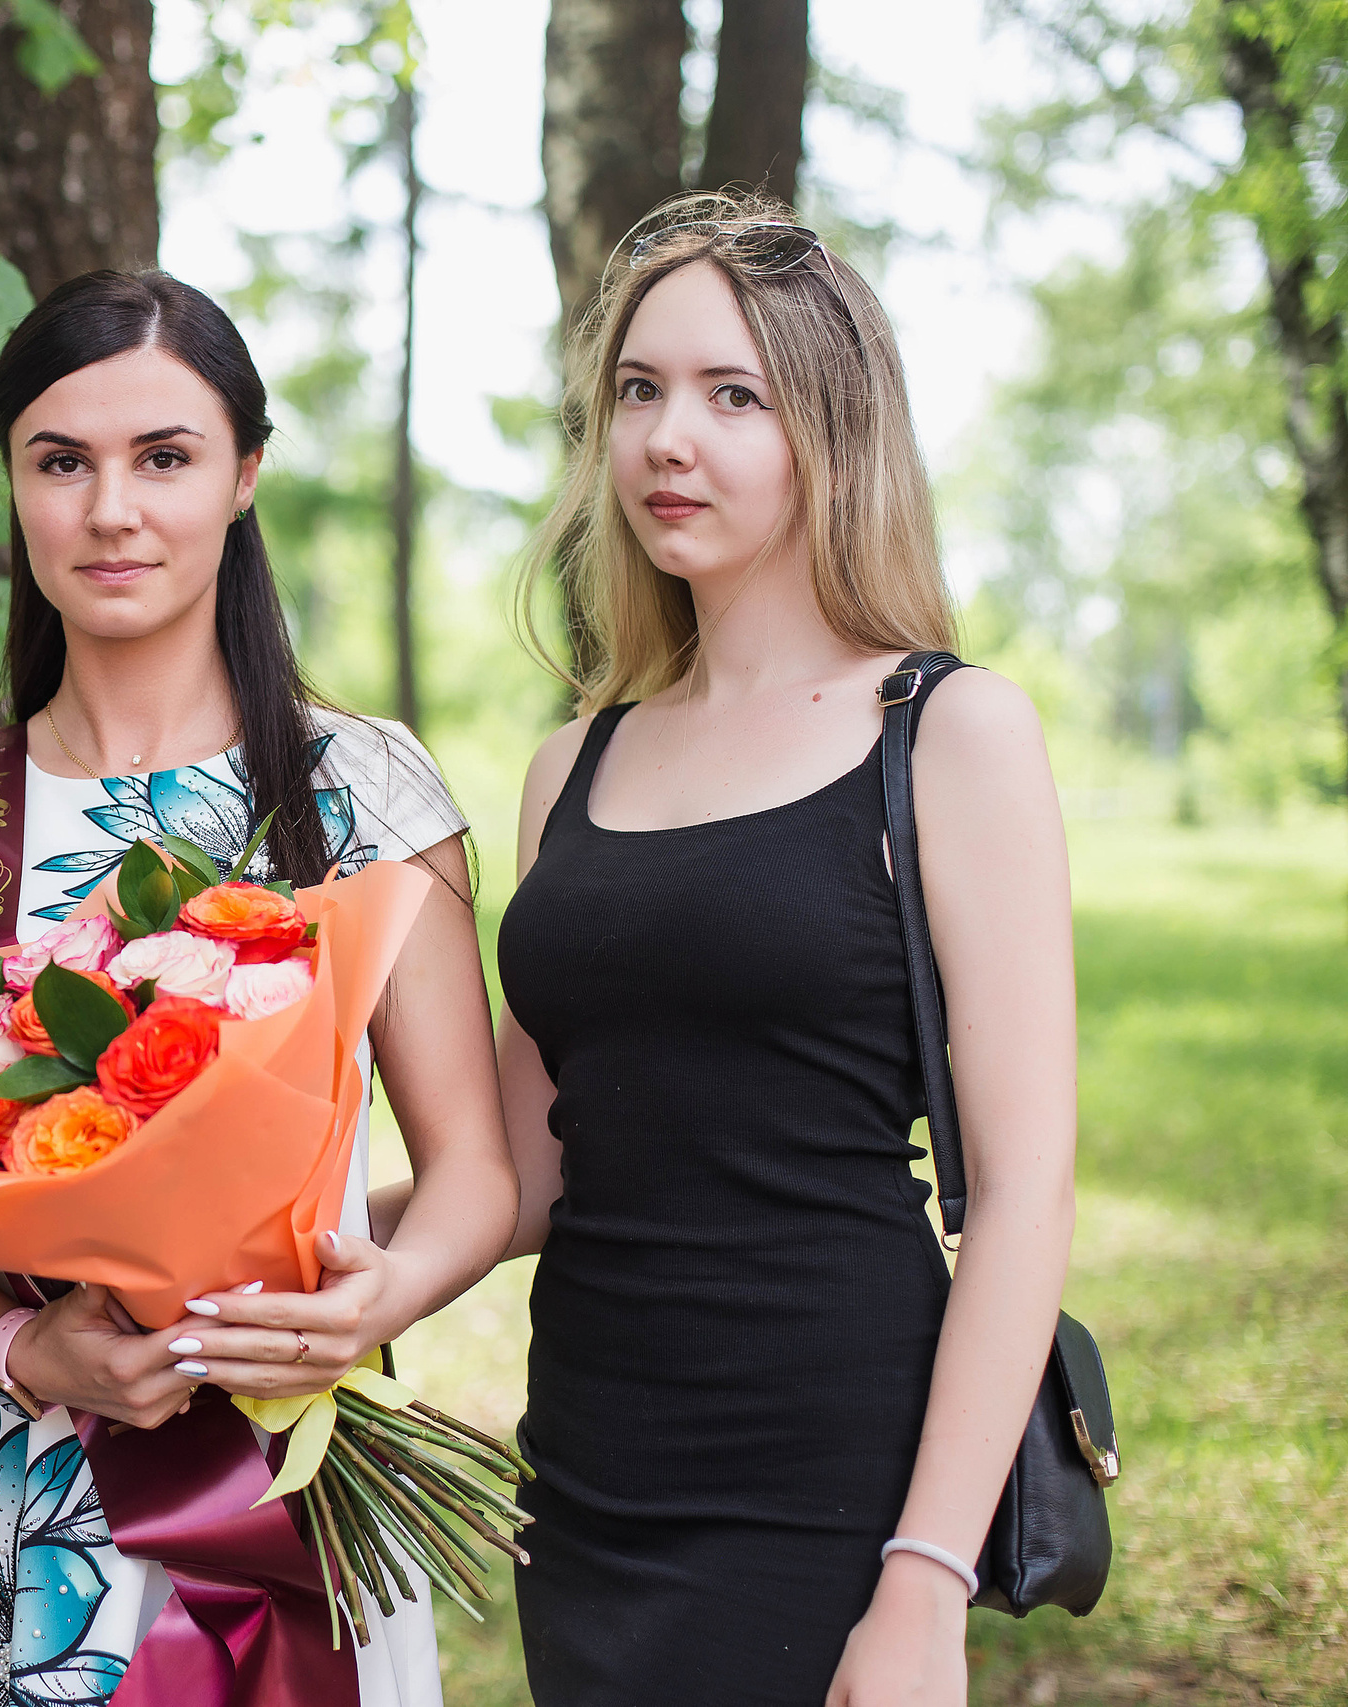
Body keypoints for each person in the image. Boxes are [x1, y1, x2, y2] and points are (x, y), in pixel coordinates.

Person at [0, 269, 520, 1706]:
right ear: (14, 484)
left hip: (271, 1445)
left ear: (245, 474)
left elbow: (476, 1172)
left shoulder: (360, 789)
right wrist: (26, 1346)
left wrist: (379, 1300)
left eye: (164, 458)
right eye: (60, 462)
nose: (111, 510)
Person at [485, 192, 1079, 1704]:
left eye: (731, 396)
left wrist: (926, 1580)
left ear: (832, 431)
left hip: (831, 1487)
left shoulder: (948, 732)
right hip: (585, 1481)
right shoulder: (574, 766)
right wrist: (258, 1248)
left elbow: (1024, 1193)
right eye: (639, 391)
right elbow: (518, 1178)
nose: (666, 439)